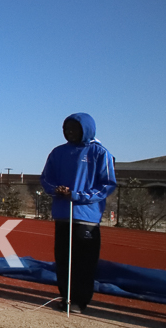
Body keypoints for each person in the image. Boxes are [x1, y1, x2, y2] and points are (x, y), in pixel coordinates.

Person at [40, 113, 117, 314]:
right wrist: (55, 190)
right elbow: (46, 178)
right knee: (63, 259)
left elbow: (107, 185)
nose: (70, 133)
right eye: (66, 129)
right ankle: (66, 296)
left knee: (84, 262)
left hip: (86, 218)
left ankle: (80, 300)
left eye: (74, 129)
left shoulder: (100, 153)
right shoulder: (57, 153)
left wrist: (77, 195)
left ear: (86, 129)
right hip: (63, 215)